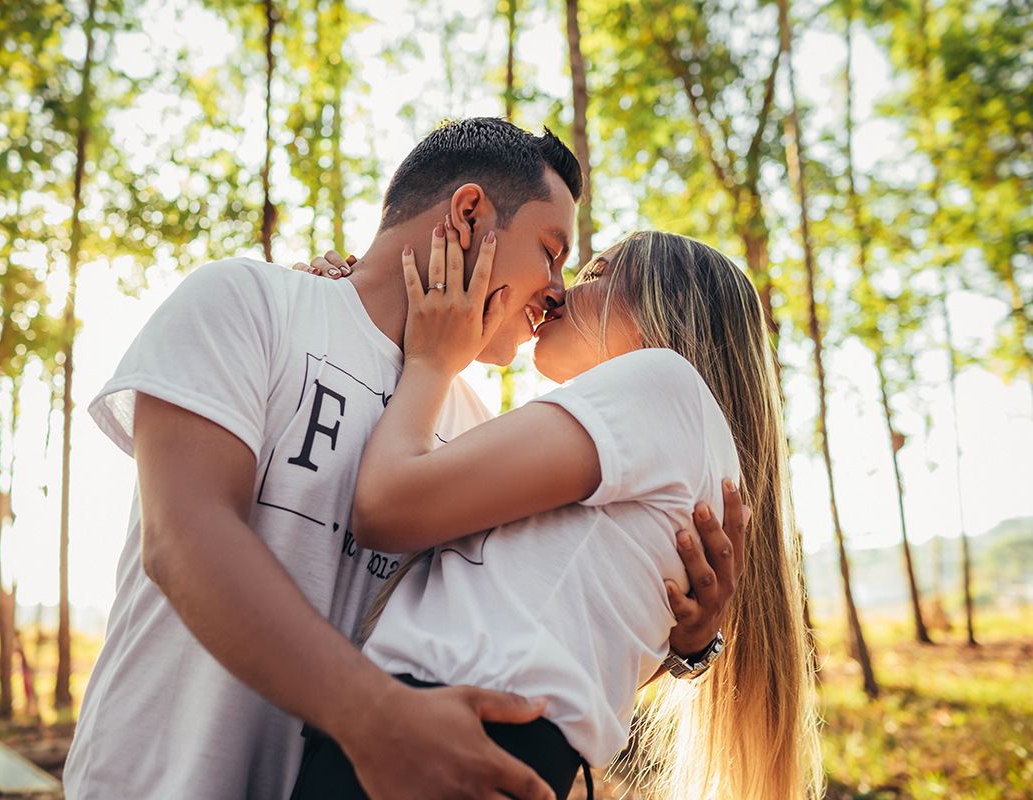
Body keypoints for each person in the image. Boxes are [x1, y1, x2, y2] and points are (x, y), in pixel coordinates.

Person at [63, 118, 741, 800]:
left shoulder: (473, 426)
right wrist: (374, 715)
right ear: (469, 214)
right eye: (551, 252)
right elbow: (184, 537)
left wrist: (690, 643)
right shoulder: (248, 301)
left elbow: (537, 634)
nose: (556, 289)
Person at [289, 227, 821, 800]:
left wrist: (430, 360)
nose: (560, 291)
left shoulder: (664, 384)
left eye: (596, 274)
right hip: (477, 744)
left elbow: (386, 505)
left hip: (439, 741)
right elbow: (566, 633)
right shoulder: (663, 451)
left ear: (667, 304)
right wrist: (350, 314)